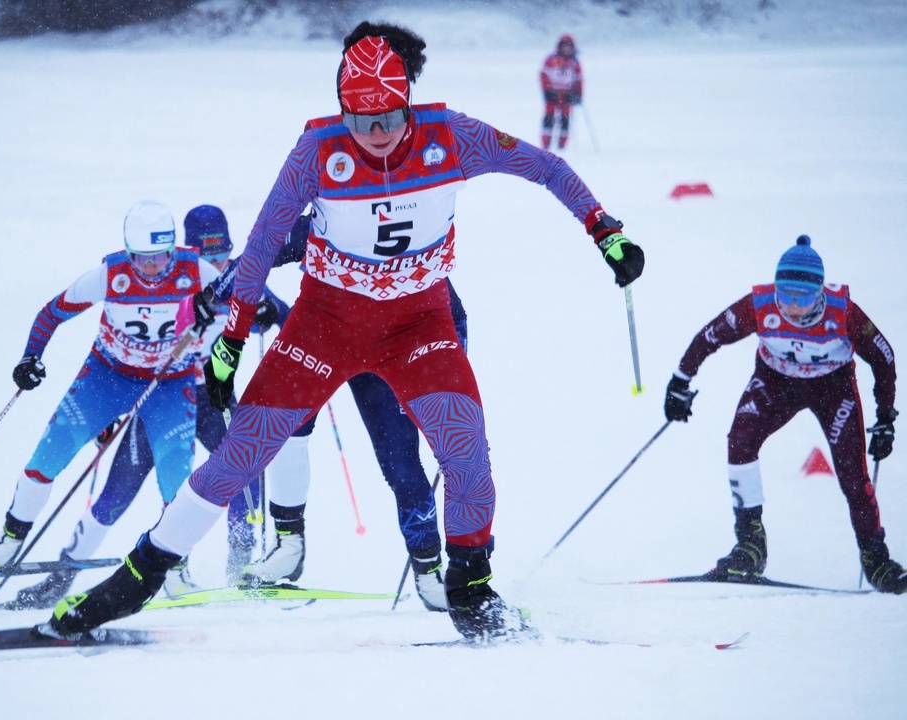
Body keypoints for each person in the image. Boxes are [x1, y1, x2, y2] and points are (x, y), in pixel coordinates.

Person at [43, 20, 643, 643]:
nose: (377, 135)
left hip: (418, 323)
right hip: (325, 324)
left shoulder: (453, 135)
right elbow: (265, 242)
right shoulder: (317, 150)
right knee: (239, 456)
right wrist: (228, 342)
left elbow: (544, 167)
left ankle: (469, 590)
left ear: (408, 102)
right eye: (361, 121)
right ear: (342, 113)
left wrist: (605, 229)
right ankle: (134, 582)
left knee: (466, 450)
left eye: (388, 118)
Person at [4, 205, 290, 608]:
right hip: (162, 395)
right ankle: (58, 581)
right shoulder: (168, 276)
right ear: (188, 250)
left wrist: (271, 314)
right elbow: (131, 344)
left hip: (209, 396)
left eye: (224, 253)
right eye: (207, 256)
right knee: (115, 496)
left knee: (244, 471)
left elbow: (273, 314)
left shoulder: (228, 274)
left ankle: (238, 572)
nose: (217, 265)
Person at [0, 200, 218, 578]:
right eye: (140, 259)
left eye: (160, 258)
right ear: (127, 252)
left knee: (176, 480)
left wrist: (228, 305)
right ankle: (7, 543)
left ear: (173, 248)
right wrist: (30, 358)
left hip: (168, 385)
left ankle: (176, 570)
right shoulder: (109, 276)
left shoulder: (196, 270)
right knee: (47, 457)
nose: (150, 269)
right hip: (108, 378)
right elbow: (52, 313)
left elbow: (242, 294)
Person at [235, 214, 470, 614]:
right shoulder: (319, 225)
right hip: (323, 342)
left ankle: (429, 570)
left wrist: (449, 363)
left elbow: (453, 313)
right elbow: (251, 261)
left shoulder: (410, 229)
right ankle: (289, 547)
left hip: (390, 353)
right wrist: (254, 299)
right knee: (284, 424)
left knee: (400, 463)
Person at [663, 235, 905, 594]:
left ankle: (877, 561)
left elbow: (883, 358)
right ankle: (750, 546)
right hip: (776, 383)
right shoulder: (760, 306)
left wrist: (885, 418)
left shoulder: (843, 311)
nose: (792, 306)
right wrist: (680, 381)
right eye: (785, 295)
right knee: (740, 441)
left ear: (819, 293)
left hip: (832, 388)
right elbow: (711, 335)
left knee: (853, 474)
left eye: (802, 298)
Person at [539, 33, 582, 150]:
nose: (566, 49)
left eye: (569, 47)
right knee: (549, 117)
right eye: (564, 46)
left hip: (567, 94)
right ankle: (546, 143)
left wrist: (578, 94)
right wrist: (546, 90)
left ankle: (562, 144)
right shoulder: (551, 59)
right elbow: (543, 75)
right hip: (552, 93)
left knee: (565, 119)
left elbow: (578, 79)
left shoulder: (574, 62)